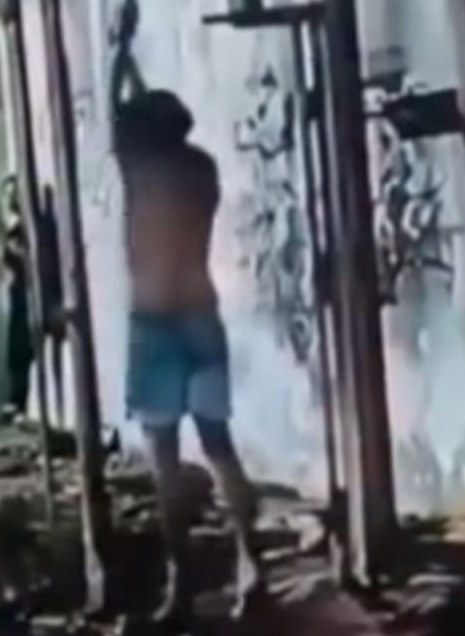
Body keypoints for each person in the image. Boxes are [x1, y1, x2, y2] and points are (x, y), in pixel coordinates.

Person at [111, 63, 264, 625]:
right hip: (201, 316)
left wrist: (120, 56)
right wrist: (136, 75)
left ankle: (182, 585)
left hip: (154, 324)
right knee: (219, 445)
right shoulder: (201, 169)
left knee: (165, 462)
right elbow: (136, 118)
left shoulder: (139, 171)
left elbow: (118, 119)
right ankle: (251, 561)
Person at [1, 176, 33, 417]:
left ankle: (21, 401)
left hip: (30, 294)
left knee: (23, 349)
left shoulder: (29, 230)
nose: (10, 200)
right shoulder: (14, 231)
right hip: (18, 293)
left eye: (14, 194)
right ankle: (17, 400)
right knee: (16, 350)